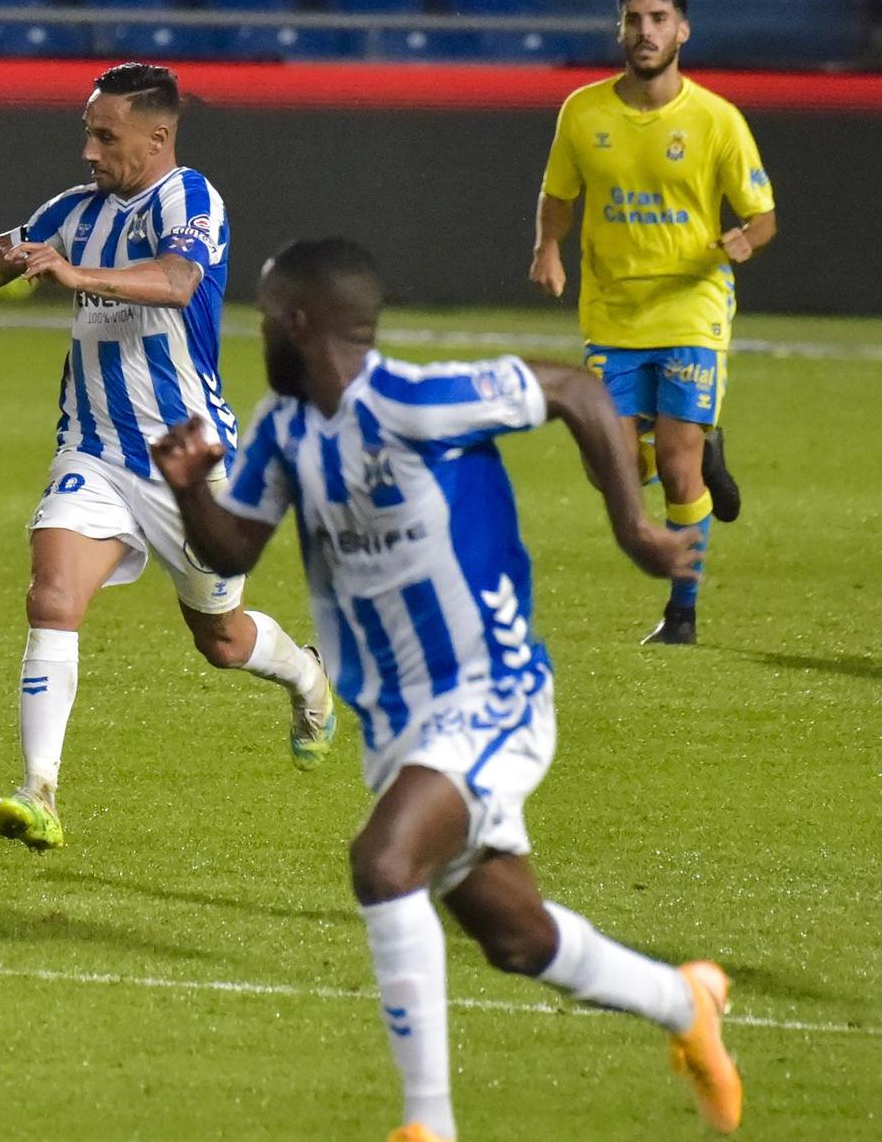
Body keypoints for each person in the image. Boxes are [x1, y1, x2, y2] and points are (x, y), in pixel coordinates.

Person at [152, 237, 740, 1142]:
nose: (258, 329)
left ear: (299, 324)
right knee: (519, 940)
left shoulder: (419, 400)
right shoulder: (284, 427)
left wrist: (633, 527)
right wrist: (191, 490)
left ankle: (427, 1126)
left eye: (267, 315)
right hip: (398, 725)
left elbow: (576, 390)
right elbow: (234, 549)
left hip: (490, 691)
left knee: (384, 862)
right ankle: (686, 1002)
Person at [0, 62, 336, 853]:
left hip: (188, 460)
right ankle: (37, 788)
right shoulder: (74, 211)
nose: (87, 150)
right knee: (50, 597)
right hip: (95, 448)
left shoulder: (190, 199)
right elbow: (4, 253)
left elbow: (179, 281)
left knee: (219, 638)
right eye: (86, 130)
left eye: (103, 134)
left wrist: (77, 275)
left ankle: (306, 676)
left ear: (158, 136)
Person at [529, 0, 776, 646]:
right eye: (635, 19)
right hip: (612, 310)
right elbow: (559, 193)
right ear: (621, 30)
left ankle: (682, 614)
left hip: (693, 305)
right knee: (609, 464)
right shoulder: (583, 112)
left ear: (682, 30)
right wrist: (548, 245)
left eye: (659, 18)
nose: (646, 31)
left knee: (675, 462)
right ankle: (709, 447)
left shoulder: (716, 119)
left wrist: (743, 240)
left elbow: (764, 216)